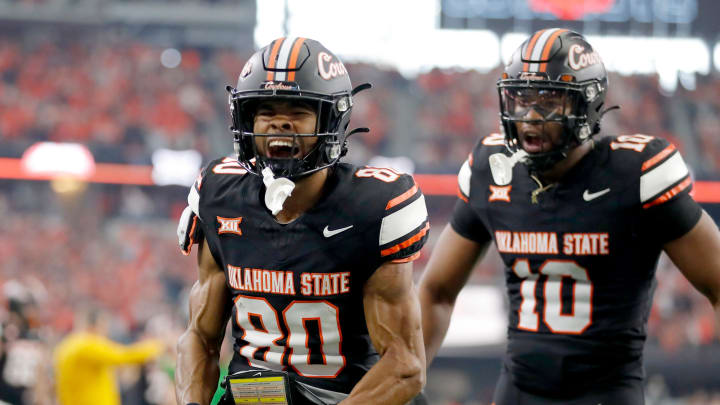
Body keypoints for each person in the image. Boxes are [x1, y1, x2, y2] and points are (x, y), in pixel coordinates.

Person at [419, 28, 720, 405]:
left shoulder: (635, 174)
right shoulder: (492, 170)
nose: (529, 117)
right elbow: (436, 290)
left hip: (605, 394)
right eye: (521, 99)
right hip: (518, 392)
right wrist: (411, 375)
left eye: (548, 101)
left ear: (587, 104)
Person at [175, 37, 429, 405]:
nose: (279, 122)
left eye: (297, 111)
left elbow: (405, 366)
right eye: (266, 111)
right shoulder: (220, 194)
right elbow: (199, 337)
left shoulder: (371, 208)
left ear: (331, 119)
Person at [54, 306, 165, 405]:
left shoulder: (67, 345)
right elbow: (124, 356)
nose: (106, 332)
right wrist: (159, 346)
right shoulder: (86, 345)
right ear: (96, 325)